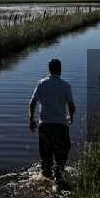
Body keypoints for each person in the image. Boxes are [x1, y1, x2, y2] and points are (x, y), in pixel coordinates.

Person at [29, 58, 75, 186]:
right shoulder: (65, 85)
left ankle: (45, 182)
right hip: (60, 125)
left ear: (49, 70)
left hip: (44, 126)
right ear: (60, 70)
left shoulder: (41, 84)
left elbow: (32, 103)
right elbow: (71, 105)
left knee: (46, 157)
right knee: (62, 154)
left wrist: (31, 119)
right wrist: (71, 117)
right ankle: (58, 181)